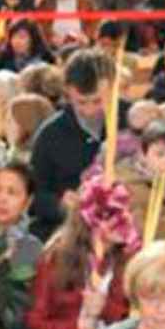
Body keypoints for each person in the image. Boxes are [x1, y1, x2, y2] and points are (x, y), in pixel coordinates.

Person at [29, 49, 117, 239]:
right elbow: (35, 195)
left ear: (113, 87)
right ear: (68, 92)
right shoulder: (50, 134)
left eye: (98, 101)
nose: (90, 110)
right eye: (81, 103)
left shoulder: (133, 120)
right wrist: (60, 204)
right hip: (71, 232)